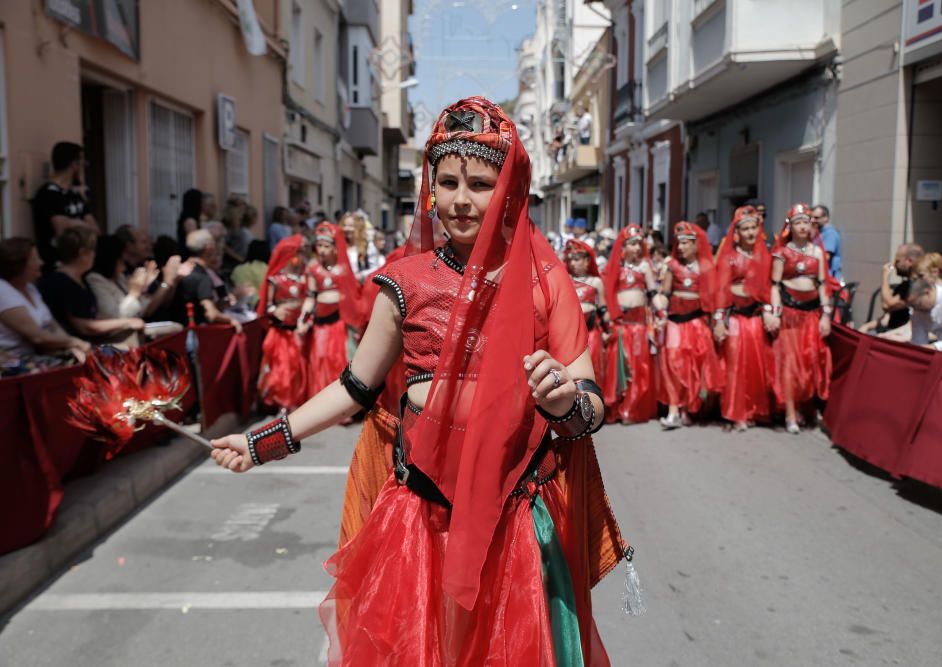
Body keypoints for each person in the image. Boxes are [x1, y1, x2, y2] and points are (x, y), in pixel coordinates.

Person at [209, 97, 628, 666]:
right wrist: (262, 444)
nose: (460, 200)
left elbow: (591, 404)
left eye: (480, 183)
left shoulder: (545, 279)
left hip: (516, 525)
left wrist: (564, 402)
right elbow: (354, 389)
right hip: (421, 521)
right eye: (448, 182)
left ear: (509, 187)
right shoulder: (401, 281)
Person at [765, 203, 833, 434]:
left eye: (806, 222)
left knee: (811, 361)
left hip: (811, 314)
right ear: (790, 226)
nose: (803, 227)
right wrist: (774, 313)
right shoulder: (781, 253)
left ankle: (808, 407)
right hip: (789, 314)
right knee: (790, 363)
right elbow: (774, 285)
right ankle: (790, 413)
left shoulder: (817, 252)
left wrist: (826, 316)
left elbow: (823, 285)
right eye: (798, 222)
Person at [656, 221, 724, 429]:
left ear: (696, 244)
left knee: (693, 367)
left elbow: (715, 299)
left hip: (697, 323)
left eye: (687, 243)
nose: (682, 247)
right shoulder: (672, 266)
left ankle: (687, 409)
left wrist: (719, 323)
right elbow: (664, 294)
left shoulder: (706, 267)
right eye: (680, 243)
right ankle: (673, 409)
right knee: (673, 363)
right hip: (676, 322)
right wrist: (660, 313)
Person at [712, 206, 774, 431]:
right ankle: (736, 412)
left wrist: (770, 312)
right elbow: (721, 290)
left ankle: (753, 410)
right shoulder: (729, 257)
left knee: (755, 366)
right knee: (735, 366)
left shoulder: (763, 255)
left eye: (753, 228)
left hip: (755, 319)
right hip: (735, 318)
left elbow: (768, 288)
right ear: (737, 231)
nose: (750, 233)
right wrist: (719, 321)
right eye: (745, 228)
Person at [38, 228, 145, 344]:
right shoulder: (59, 282)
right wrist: (127, 322)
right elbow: (84, 326)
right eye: (92, 250)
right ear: (82, 253)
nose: (95, 255)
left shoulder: (81, 279)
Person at [0, 238, 90, 366]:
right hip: (13, 362)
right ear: (19, 264)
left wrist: (71, 347)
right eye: (35, 259)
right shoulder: (2, 290)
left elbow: (52, 325)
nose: (41, 263)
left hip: (40, 356)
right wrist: (74, 342)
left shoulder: (30, 288)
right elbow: (37, 337)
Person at [602, 223, 658, 424]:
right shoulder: (614, 268)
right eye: (632, 244)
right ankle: (618, 408)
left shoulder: (645, 267)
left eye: (638, 244)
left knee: (639, 368)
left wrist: (661, 312)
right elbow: (607, 294)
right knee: (620, 369)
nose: (636, 248)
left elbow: (653, 294)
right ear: (623, 247)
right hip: (621, 324)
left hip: (639, 325)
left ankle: (633, 408)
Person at [297, 222, 360, 399]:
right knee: (321, 357)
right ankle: (322, 400)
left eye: (326, 246)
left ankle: (342, 402)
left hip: (340, 322)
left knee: (339, 360)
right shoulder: (313, 269)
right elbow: (310, 296)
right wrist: (302, 317)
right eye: (319, 246)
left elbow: (352, 297)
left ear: (335, 247)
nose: (322, 250)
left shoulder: (343, 269)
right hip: (321, 322)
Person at [85, 235, 186, 344]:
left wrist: (144, 289)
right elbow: (117, 317)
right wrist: (134, 293)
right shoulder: (95, 280)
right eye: (121, 260)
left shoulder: (118, 277)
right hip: (117, 338)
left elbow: (145, 308)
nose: (124, 266)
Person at [31, 142, 99, 270]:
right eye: (82, 160)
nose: (83, 165)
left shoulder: (75, 194)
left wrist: (72, 222)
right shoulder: (48, 194)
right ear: (74, 164)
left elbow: (95, 230)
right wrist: (81, 223)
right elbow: (61, 231)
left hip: (81, 264)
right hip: (57, 265)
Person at [257, 252, 308, 412]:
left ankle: (295, 400)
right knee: (281, 368)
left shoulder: (304, 279)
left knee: (296, 368)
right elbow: (268, 305)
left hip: (297, 331)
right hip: (280, 333)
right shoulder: (275, 279)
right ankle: (281, 401)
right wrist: (277, 310)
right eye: (295, 255)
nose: (299, 259)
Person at [172, 229, 243, 332]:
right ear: (208, 248)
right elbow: (211, 314)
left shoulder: (181, 271)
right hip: (194, 335)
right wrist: (232, 320)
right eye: (214, 242)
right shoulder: (202, 277)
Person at [564, 239, 611, 393]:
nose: (573, 263)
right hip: (572, 335)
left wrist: (609, 330)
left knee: (594, 368)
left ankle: (597, 403)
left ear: (586, 261)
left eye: (577, 259)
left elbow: (603, 308)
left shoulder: (596, 282)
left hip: (592, 334)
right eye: (570, 259)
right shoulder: (566, 281)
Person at [859, 243, 924, 336]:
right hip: (892, 332)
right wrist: (867, 326)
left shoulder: (917, 286)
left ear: (909, 261)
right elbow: (888, 316)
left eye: (897, 261)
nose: (894, 264)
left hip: (902, 337)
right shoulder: (905, 285)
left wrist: (885, 277)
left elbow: (887, 305)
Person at [812, 204, 843, 282]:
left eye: (816, 218)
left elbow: (826, 256)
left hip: (829, 279)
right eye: (811, 217)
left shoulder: (830, 233)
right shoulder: (820, 233)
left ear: (826, 218)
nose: (813, 220)